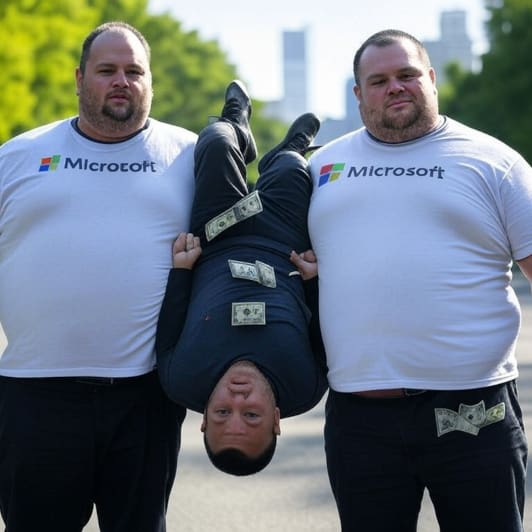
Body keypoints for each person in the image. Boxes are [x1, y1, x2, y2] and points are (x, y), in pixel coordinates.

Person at [307, 29, 532, 532]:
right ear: (359, 94)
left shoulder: (494, 163)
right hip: (360, 419)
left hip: (474, 409)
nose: (395, 87)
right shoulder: (320, 167)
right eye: (379, 80)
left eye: (407, 74)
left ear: (430, 78)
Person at [0, 21, 196, 532]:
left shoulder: (191, 156)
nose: (121, 81)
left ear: (150, 80)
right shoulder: (16, 157)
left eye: (134, 71)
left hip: (145, 396)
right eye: (107, 70)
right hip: (34, 394)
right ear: (79, 78)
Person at [155, 80, 328, 476]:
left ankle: (237, 125)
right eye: (251, 414)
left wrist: (182, 269)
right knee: (292, 169)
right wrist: (312, 281)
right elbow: (322, 332)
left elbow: (168, 330)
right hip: (281, 243)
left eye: (221, 413)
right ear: (276, 420)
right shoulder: (304, 387)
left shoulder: (181, 381)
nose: (237, 399)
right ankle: (287, 150)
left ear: (202, 420)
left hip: (216, 240)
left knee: (216, 141)